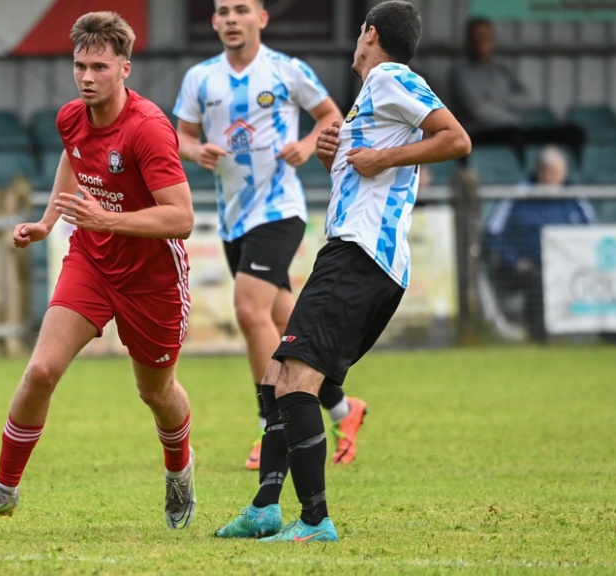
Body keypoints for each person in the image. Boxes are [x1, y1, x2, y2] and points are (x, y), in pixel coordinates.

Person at [215, 0, 471, 542]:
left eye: (360, 32)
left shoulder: (389, 78)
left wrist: (381, 160)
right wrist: (335, 154)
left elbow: (456, 138)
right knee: (277, 374)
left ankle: (313, 520)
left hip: (359, 256)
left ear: (369, 33)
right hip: (358, 258)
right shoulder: (370, 100)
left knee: (297, 383)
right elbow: (369, 171)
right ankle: (265, 506)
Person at [0, 11, 197, 530]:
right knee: (41, 370)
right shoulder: (71, 117)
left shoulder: (148, 130)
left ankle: (179, 469)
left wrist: (108, 216)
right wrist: (47, 222)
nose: (87, 77)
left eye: (99, 67)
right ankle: (3, 489)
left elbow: (182, 218)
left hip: (152, 279)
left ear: (125, 68)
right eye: (80, 66)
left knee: (155, 392)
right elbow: (74, 157)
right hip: (91, 260)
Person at [172, 0, 367, 472]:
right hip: (233, 217)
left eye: (241, 9)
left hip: (280, 209)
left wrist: (305, 143)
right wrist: (196, 150)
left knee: (247, 309)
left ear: (261, 18)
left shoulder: (286, 70)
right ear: (214, 22)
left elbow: (331, 117)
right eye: (222, 11)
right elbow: (179, 136)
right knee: (286, 329)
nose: (231, 19)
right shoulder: (201, 78)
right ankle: (343, 408)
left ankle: (272, 426)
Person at [483, 145, 595, 342]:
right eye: (555, 174)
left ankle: (601, 336)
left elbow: (594, 232)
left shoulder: (574, 196)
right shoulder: (518, 196)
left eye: (562, 174)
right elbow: (493, 233)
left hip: (569, 266)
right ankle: (539, 338)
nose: (560, 179)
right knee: (536, 278)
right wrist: (515, 260)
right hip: (526, 267)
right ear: (543, 172)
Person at [447, 17, 583, 158]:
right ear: (468, 42)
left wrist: (492, 99)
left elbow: (528, 99)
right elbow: (478, 111)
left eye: (486, 37)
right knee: (515, 135)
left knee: (573, 133)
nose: (482, 42)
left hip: (515, 127)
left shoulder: (502, 70)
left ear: (493, 40)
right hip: (480, 133)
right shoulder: (460, 73)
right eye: (476, 38)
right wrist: (511, 115)